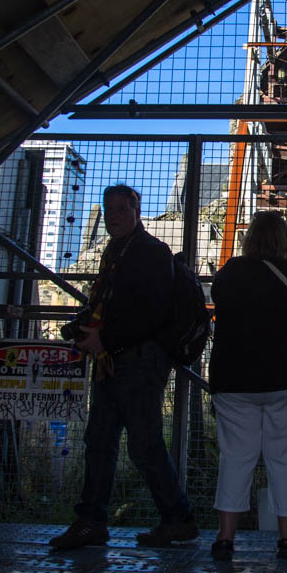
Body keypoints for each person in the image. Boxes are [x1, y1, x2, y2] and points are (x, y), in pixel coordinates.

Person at [49, 183, 197, 549]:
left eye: (121, 208)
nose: (113, 215)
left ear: (136, 210)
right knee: (99, 439)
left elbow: (154, 312)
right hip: (113, 361)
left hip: (140, 362)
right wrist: (83, 326)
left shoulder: (150, 251)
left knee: (143, 444)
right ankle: (91, 520)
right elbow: (108, 304)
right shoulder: (117, 251)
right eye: (109, 208)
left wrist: (105, 339)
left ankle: (177, 517)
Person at [208, 210, 287, 561]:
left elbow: (219, 301)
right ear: (285, 239)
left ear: (249, 238)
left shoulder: (230, 273)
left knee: (236, 457)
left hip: (235, 380)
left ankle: (226, 537)